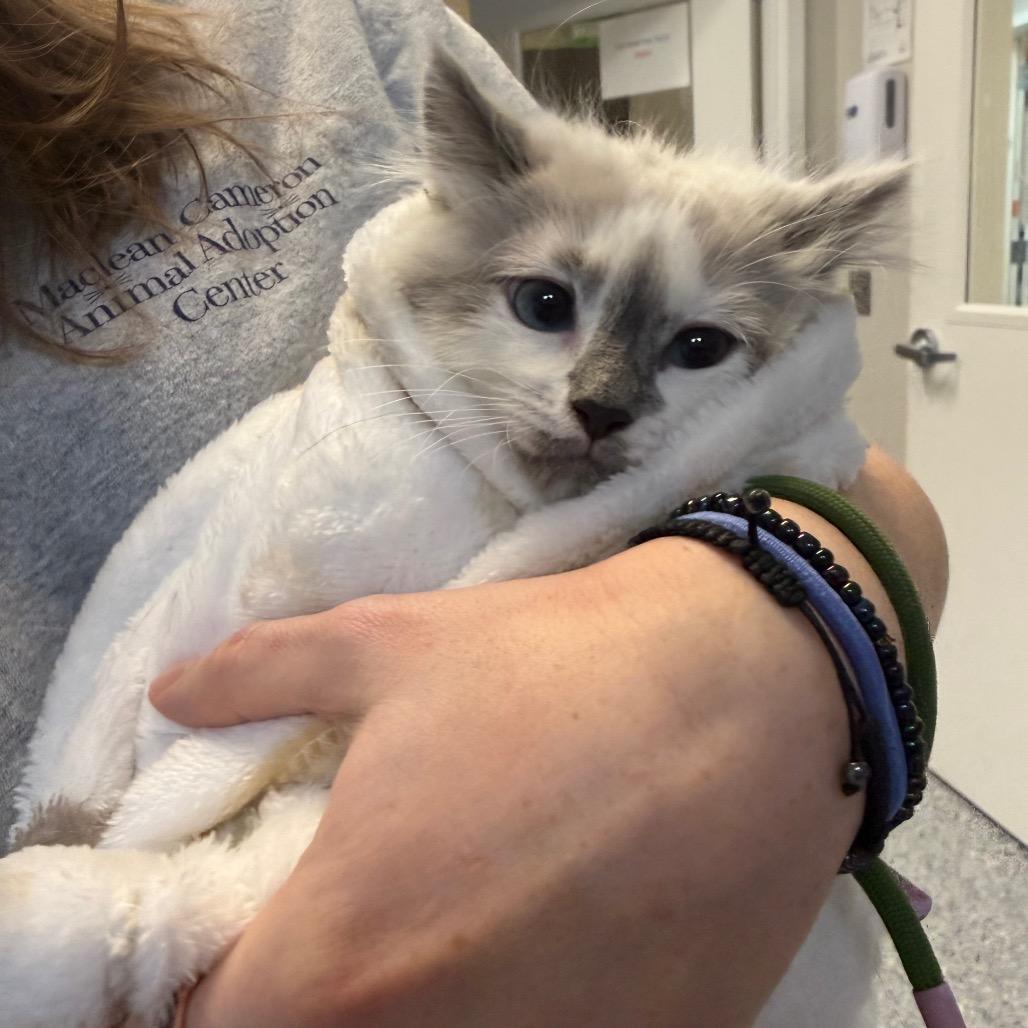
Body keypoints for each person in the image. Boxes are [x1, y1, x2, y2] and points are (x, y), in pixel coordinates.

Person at [0, 2, 947, 1025]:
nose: (600, 397)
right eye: (546, 306)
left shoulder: (331, 23)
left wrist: (748, 662)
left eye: (695, 346)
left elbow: (861, 489)